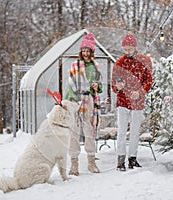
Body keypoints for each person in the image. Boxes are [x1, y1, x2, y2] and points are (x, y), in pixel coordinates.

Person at [111, 34, 153, 171]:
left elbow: (148, 81)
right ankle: (120, 159)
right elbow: (113, 84)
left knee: (135, 131)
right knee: (122, 131)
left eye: (129, 49)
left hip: (138, 102)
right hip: (123, 102)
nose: (127, 52)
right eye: (125, 49)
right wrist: (118, 87)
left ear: (135, 47)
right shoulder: (119, 63)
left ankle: (132, 158)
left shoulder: (145, 61)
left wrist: (140, 92)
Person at [65, 33, 102, 175]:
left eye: (88, 51)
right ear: (81, 52)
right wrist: (72, 99)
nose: (86, 53)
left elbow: (100, 86)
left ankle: (91, 163)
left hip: (89, 100)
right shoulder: (75, 65)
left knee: (89, 130)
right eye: (84, 51)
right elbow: (71, 84)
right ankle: (74, 165)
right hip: (74, 99)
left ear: (92, 52)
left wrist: (95, 86)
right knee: (74, 131)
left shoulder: (95, 66)